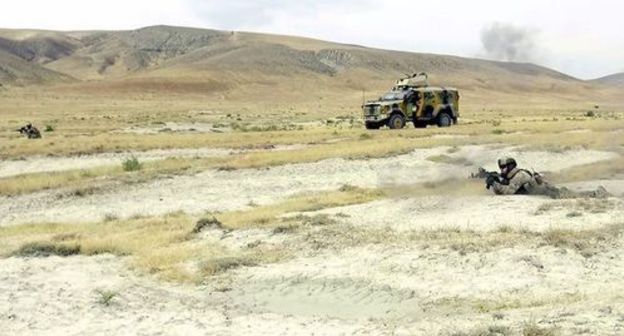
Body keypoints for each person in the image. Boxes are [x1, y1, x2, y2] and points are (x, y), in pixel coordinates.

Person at [486, 157, 610, 199]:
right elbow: (505, 190)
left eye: (504, 168)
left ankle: (598, 193)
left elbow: (509, 192)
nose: (502, 170)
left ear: (511, 166)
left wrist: (494, 184)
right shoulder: (512, 176)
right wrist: (496, 183)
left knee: (575, 196)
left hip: (550, 193)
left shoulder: (520, 175)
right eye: (500, 168)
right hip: (546, 193)